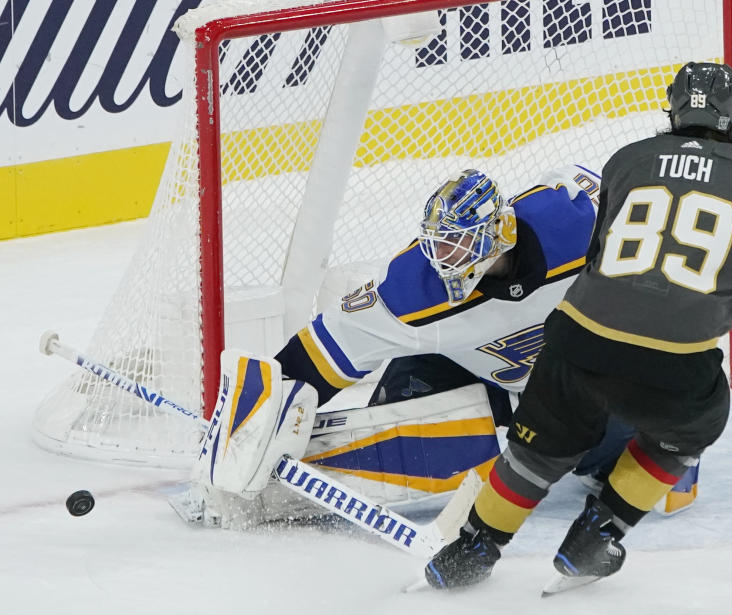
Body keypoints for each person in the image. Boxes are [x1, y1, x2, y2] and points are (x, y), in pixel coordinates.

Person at [421, 61, 732, 590]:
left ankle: (472, 549)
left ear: (672, 112)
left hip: (575, 338)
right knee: (693, 428)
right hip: (671, 364)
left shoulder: (626, 162)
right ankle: (597, 533)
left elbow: (619, 264)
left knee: (537, 449)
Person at [187, 164, 667, 527]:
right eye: (439, 244)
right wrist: (257, 421)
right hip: (473, 370)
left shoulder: (579, 227)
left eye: (457, 245)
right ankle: (287, 490)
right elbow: (323, 351)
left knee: (647, 458)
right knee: (402, 407)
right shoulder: (415, 288)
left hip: (573, 382)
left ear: (497, 234)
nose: (443, 259)